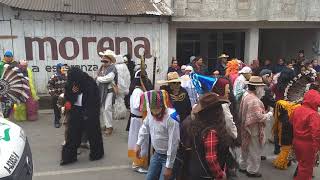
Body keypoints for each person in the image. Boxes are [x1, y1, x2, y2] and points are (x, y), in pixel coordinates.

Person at [180, 92, 229, 180]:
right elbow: (211, 158)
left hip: (194, 172)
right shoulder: (211, 132)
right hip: (206, 175)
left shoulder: (196, 125)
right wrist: (220, 175)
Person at [60, 67, 104, 165]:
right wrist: (73, 92)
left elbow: (94, 101)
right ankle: (68, 157)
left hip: (89, 111)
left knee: (94, 134)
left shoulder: (90, 83)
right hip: (76, 111)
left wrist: (89, 114)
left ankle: (97, 154)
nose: (72, 81)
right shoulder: (71, 83)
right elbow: (68, 98)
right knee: (72, 134)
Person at [136, 90, 180, 180]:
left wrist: (169, 167)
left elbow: (173, 143)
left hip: (168, 156)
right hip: (156, 154)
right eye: (153, 110)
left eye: (158, 109)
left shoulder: (171, 118)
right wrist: (138, 144)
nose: (155, 113)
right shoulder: (151, 113)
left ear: (163, 105)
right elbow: (145, 127)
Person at [238, 76, 273, 178]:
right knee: (254, 150)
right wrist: (269, 114)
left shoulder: (246, 95)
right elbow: (258, 117)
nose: (262, 89)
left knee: (245, 148)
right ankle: (252, 171)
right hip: (253, 129)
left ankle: (243, 166)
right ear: (257, 88)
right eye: (261, 87)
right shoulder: (254, 100)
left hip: (245, 127)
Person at [291, 90, 320, 180]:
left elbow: (291, 121)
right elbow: (317, 133)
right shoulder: (313, 114)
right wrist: (317, 147)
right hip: (307, 145)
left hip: (296, 141)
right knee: (306, 169)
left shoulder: (297, 109)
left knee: (302, 164)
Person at [128, 70, 149, 173]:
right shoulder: (138, 92)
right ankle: (137, 164)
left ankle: (138, 161)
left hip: (136, 119)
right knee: (140, 141)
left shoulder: (137, 91)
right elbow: (138, 106)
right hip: (138, 120)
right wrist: (148, 103)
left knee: (137, 140)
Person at [96, 50, 118, 136]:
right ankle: (106, 125)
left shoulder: (112, 68)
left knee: (107, 109)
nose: (104, 62)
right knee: (103, 109)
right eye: (103, 60)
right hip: (102, 91)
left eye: (106, 61)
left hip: (109, 91)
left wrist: (98, 78)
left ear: (110, 61)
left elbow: (108, 78)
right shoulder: (102, 68)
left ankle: (109, 127)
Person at [47, 63, 68, 128]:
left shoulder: (66, 76)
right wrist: (54, 94)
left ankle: (66, 120)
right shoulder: (54, 77)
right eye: (62, 68)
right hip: (56, 96)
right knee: (57, 109)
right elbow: (49, 86)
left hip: (65, 96)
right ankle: (57, 121)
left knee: (66, 108)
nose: (64, 69)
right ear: (58, 69)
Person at [113, 55, 131, 120]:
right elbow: (128, 78)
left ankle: (118, 114)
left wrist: (116, 86)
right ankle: (122, 114)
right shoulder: (125, 66)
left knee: (117, 100)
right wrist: (126, 87)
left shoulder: (116, 67)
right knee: (121, 100)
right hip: (124, 87)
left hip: (118, 86)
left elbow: (117, 78)